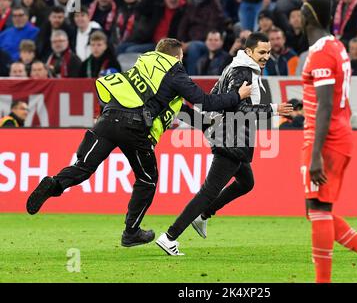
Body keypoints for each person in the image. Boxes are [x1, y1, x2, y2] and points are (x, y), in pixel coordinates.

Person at [26, 38, 252, 248]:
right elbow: (205, 100)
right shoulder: (174, 71)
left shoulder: (143, 64)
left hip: (107, 118)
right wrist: (237, 96)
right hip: (133, 128)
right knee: (147, 179)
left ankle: (54, 184)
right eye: (181, 57)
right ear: (176, 57)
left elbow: (175, 108)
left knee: (83, 168)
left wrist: (205, 126)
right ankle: (131, 232)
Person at [155, 32, 293, 256]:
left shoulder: (238, 66)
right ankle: (169, 236)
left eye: (268, 52)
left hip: (231, 134)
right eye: (262, 52)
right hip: (231, 136)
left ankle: (203, 215)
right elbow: (241, 110)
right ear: (249, 52)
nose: (266, 56)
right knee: (209, 191)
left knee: (246, 182)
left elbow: (222, 99)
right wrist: (273, 109)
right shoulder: (243, 72)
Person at [299, 0, 357, 283]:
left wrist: (316, 153)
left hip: (326, 140)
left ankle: (323, 280)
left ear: (309, 17)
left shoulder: (322, 54)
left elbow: (326, 105)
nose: (299, 15)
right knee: (314, 209)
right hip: (332, 136)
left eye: (302, 11)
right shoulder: (335, 46)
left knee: (319, 209)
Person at [116, 0, 186, 54]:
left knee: (131, 51)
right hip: (151, 42)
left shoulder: (183, 9)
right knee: (121, 48)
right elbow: (140, 8)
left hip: (168, 45)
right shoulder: (159, 7)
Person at [177, 0, 225, 75]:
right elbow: (183, 25)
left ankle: (193, 81)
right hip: (189, 42)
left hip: (207, 42)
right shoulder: (190, 3)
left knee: (194, 47)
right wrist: (181, 42)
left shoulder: (214, 3)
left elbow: (213, 28)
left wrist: (190, 43)